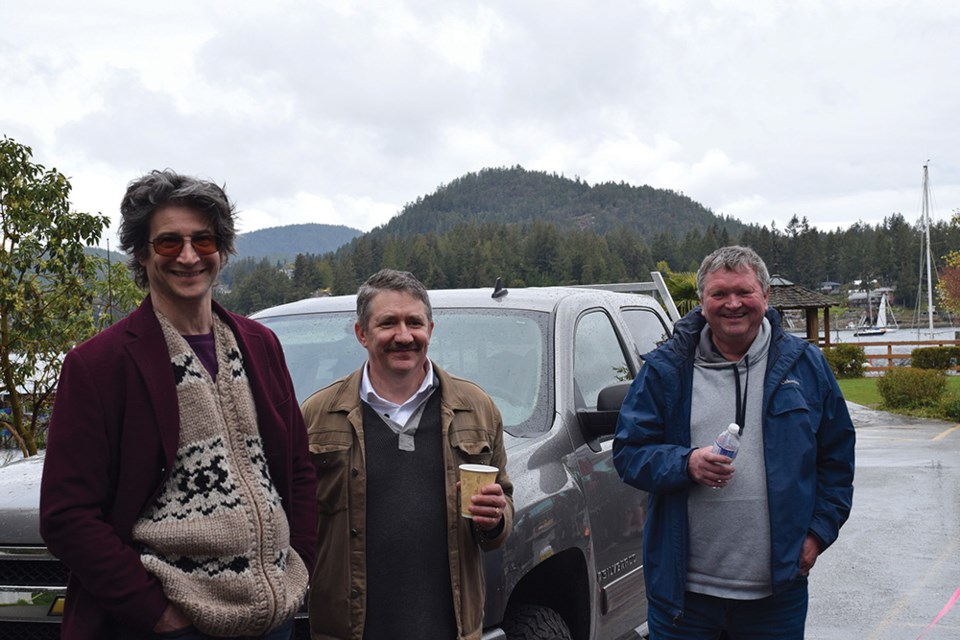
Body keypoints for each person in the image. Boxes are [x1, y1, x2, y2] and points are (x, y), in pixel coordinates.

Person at [39, 170, 317, 640]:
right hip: (171, 623)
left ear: (222, 250)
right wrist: (153, 612)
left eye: (203, 241)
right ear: (143, 253)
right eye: (169, 243)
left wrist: (301, 564)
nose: (188, 256)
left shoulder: (261, 344)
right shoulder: (99, 364)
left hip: (274, 617)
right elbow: (66, 515)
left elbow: (297, 469)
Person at [613, 245, 855, 640]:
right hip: (683, 597)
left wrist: (818, 534)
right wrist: (686, 463)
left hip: (776, 593)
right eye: (719, 294)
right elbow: (628, 453)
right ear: (702, 302)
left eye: (744, 292)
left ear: (765, 296)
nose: (733, 304)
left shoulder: (805, 365)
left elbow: (836, 459)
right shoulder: (666, 369)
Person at [301, 269, 513, 640]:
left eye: (414, 322)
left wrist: (494, 519)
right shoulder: (316, 416)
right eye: (388, 323)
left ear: (430, 329)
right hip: (349, 630)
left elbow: (500, 517)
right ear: (361, 333)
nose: (404, 336)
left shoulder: (477, 409)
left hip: (450, 629)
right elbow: (294, 524)